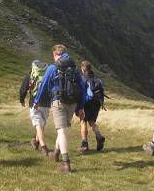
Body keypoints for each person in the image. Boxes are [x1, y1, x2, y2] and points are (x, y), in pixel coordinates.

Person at [33, 44, 86, 173]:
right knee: (62, 130)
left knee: (61, 131)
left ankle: (65, 163)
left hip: (58, 101)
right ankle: (56, 153)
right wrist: (81, 107)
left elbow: (44, 85)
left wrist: (37, 101)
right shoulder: (74, 69)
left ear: (55, 55)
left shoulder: (52, 68)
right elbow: (83, 87)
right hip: (72, 103)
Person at [19, 60, 51, 156]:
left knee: (38, 124)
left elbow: (23, 90)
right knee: (41, 125)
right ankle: (36, 142)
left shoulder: (30, 75)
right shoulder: (47, 74)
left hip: (34, 102)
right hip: (46, 103)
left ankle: (43, 147)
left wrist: (22, 100)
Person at [77, 61, 106, 152]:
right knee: (92, 121)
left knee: (83, 121)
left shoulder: (81, 78)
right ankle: (99, 135)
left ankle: (84, 144)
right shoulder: (97, 78)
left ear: (82, 68)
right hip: (96, 102)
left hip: (85, 102)